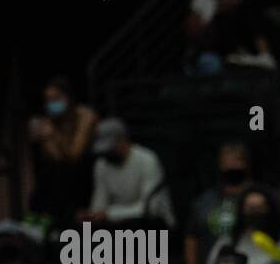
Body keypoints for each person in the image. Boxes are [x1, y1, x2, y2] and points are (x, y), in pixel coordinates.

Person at [26, 76, 99, 225]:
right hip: (63, 175)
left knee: (62, 171)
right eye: (48, 100)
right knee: (51, 171)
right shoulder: (50, 122)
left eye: (56, 98)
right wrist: (44, 138)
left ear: (68, 98)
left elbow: (75, 154)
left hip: (88, 170)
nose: (51, 104)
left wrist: (54, 135)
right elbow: (56, 158)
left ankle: (48, 219)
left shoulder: (86, 116)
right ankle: (35, 218)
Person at [185, 142, 254, 264]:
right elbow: (192, 236)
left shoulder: (256, 198)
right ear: (219, 165)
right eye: (227, 162)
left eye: (237, 161)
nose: (231, 166)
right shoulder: (205, 201)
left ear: (247, 165)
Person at [83, 118, 175, 228]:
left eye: (110, 148)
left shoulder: (147, 160)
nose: (107, 153)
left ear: (123, 139)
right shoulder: (102, 164)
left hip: (156, 226)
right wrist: (92, 216)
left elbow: (151, 208)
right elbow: (99, 205)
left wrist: (109, 214)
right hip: (120, 227)